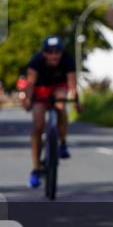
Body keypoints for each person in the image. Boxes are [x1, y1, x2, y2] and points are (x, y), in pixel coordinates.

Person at [21, 36, 79, 188]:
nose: (54, 56)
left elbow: (72, 84)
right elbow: (31, 82)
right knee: (38, 125)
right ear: (44, 53)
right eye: (50, 52)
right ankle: (35, 168)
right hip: (40, 90)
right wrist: (27, 99)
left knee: (61, 105)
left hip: (59, 87)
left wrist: (75, 100)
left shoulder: (68, 59)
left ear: (61, 52)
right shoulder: (36, 60)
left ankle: (63, 142)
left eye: (57, 52)